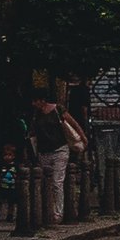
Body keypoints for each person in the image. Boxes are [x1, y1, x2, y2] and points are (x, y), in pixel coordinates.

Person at [30, 92, 74, 227]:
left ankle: (58, 213)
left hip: (60, 149)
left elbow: (73, 123)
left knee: (56, 182)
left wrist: (82, 138)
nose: (33, 104)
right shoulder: (36, 114)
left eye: (35, 101)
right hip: (44, 151)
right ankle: (47, 210)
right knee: (45, 182)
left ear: (42, 100)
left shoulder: (57, 109)